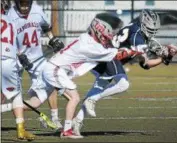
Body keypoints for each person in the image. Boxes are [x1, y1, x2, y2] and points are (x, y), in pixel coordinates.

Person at [31, 12, 141, 138]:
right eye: (109, 30)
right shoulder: (91, 47)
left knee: (34, 103)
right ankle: (66, 130)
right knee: (75, 98)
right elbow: (117, 55)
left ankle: (9, 107)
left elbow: (111, 50)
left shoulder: (87, 38)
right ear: (100, 29)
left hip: (56, 69)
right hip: (55, 70)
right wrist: (136, 50)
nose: (111, 34)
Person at [72, 9, 177, 136]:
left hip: (106, 57)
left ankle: (77, 122)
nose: (151, 34)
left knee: (98, 88)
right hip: (109, 56)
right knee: (123, 84)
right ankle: (92, 100)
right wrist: (163, 53)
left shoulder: (137, 30)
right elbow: (144, 60)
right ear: (144, 24)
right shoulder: (137, 33)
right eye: (150, 30)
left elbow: (145, 63)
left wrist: (162, 58)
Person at [1, 0, 64, 129]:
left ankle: (55, 118)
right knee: (5, 90)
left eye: (27, 4)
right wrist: (19, 54)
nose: (25, 7)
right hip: (15, 57)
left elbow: (46, 27)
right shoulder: (10, 15)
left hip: (36, 57)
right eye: (22, 4)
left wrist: (52, 39)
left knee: (50, 81)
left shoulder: (37, 10)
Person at [1, 0, 35, 140]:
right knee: (16, 95)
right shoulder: (10, 20)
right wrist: (23, 58)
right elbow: (17, 46)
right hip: (8, 61)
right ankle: (20, 129)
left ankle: (21, 129)